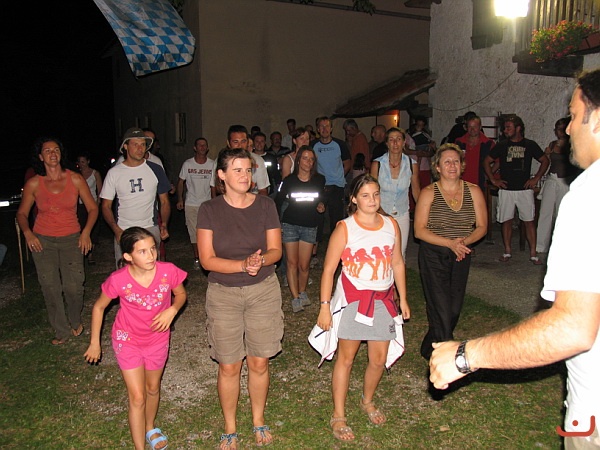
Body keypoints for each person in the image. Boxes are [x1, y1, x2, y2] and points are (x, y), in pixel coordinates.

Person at [429, 70, 600, 448]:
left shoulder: (589, 195)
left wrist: (466, 355)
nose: (568, 129)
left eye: (574, 116)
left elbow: (573, 327)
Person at [310, 174, 410, 442]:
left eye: (376, 194)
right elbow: (329, 269)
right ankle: (338, 415)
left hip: (383, 300)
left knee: (378, 359)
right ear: (354, 199)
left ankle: (367, 400)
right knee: (347, 358)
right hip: (354, 300)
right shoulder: (345, 228)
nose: (372, 200)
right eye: (365, 195)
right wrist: (324, 307)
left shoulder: (391, 225)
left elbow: (397, 263)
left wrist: (403, 298)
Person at [197, 148, 283, 449]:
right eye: (237, 170)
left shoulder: (266, 205)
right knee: (229, 365)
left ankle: (258, 419)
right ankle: (230, 426)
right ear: (221, 175)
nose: (245, 176)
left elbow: (276, 250)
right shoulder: (209, 209)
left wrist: (260, 261)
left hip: (263, 290)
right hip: (224, 293)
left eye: (248, 170)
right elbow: (207, 260)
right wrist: (242, 265)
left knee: (259, 361)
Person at [84, 227, 187, 450]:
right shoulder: (118, 279)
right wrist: (94, 343)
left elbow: (180, 293)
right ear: (128, 256)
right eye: (142, 252)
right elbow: (99, 307)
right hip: (127, 340)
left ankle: (150, 427)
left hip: (157, 339)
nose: (151, 256)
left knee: (153, 388)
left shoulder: (167, 271)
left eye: (152, 249)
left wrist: (172, 310)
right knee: (138, 397)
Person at [16, 137, 98, 345]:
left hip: (72, 239)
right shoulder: (34, 183)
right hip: (43, 241)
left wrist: (86, 232)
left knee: (74, 286)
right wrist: (28, 233)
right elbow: (22, 213)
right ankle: (61, 330)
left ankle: (75, 319)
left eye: (56, 150)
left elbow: (92, 208)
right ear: (40, 156)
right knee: (50, 287)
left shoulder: (75, 179)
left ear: (61, 154)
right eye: (47, 150)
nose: (53, 153)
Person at [414, 143, 487, 360]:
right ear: (437, 167)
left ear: (462, 165)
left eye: (456, 161)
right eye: (447, 162)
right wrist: (449, 243)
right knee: (441, 307)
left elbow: (482, 226)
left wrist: (462, 243)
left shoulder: (474, 191)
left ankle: (429, 347)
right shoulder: (428, 193)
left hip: (461, 253)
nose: (452, 165)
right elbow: (419, 230)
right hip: (433, 254)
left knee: (453, 309)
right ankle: (447, 356)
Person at [100, 128, 171, 267]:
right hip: (124, 229)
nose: (140, 148)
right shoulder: (114, 173)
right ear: (125, 146)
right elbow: (106, 206)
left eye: (143, 144)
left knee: (150, 269)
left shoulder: (156, 169)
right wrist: (116, 230)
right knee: (126, 271)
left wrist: (164, 225)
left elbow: (164, 201)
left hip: (149, 228)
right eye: (135, 144)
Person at [483, 116, 549, 264]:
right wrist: (493, 180)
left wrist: (536, 178)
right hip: (506, 189)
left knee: (529, 221)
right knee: (506, 220)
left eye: (508, 127)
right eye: (504, 127)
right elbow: (487, 161)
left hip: (524, 189)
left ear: (518, 128)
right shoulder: (502, 145)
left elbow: (545, 160)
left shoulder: (530, 145)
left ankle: (533, 254)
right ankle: (507, 251)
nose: (505, 130)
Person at [276, 146, 325, 312]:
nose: (308, 162)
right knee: (292, 263)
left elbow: (321, 198)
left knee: (304, 265)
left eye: (311, 159)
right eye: (305, 158)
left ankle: (303, 292)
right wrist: (278, 224)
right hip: (290, 224)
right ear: (298, 161)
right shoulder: (289, 181)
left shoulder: (319, 180)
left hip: (309, 225)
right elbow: (278, 201)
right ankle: (295, 297)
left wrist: (321, 205)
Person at [370, 127, 421, 258]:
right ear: (387, 143)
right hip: (381, 212)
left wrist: (423, 212)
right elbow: (371, 192)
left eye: (398, 139)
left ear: (404, 142)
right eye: (391, 140)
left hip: (402, 213)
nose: (395, 143)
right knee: (381, 253)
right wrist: (380, 212)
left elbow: (416, 191)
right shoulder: (377, 164)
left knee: (400, 253)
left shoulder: (412, 164)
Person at [535, 117, 580, 255]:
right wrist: (548, 154)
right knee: (545, 213)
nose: (558, 132)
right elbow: (547, 161)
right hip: (552, 178)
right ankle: (540, 246)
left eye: (560, 129)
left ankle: (562, 245)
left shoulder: (573, 143)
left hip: (565, 180)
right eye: (556, 129)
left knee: (562, 214)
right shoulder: (553, 143)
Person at [176, 137, 214, 269]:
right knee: (194, 232)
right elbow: (181, 182)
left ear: (207, 148)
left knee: (208, 231)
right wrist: (180, 199)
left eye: (204, 145)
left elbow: (214, 185)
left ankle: (209, 256)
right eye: (200, 145)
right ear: (195, 148)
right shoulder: (188, 164)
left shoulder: (212, 164)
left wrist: (214, 202)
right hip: (191, 203)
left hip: (206, 204)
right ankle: (197, 258)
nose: (202, 147)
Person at [210, 125, 270, 197]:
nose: (240, 146)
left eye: (243, 141)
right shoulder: (221, 160)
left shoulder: (258, 160)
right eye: (236, 142)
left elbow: (263, 190)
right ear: (228, 143)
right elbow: (214, 188)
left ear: (248, 142)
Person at [75, 151, 103, 264]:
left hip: (92, 205)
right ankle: (82, 252)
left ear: (88, 161)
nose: (81, 164)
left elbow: (100, 191)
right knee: (81, 228)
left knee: (93, 230)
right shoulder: (76, 175)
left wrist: (98, 204)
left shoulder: (95, 173)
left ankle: (90, 254)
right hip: (80, 205)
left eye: (83, 161)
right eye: (79, 162)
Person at [455, 115, 496, 190]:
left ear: (480, 127)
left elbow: (499, 161)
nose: (472, 129)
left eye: (475, 127)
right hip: (461, 185)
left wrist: (489, 174)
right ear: (466, 127)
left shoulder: (488, 143)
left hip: (480, 185)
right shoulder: (459, 142)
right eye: (470, 127)